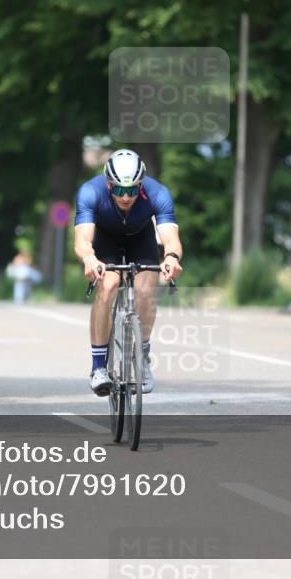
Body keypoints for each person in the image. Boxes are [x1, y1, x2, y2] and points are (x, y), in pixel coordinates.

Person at [74, 149, 183, 396]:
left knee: (145, 290)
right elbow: (82, 239)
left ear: (140, 185)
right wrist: (89, 258)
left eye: (132, 190)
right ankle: (99, 367)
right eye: (119, 190)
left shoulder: (158, 193)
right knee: (109, 285)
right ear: (108, 183)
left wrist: (171, 258)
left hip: (141, 239)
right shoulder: (91, 192)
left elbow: (171, 239)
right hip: (105, 240)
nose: (125, 196)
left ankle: (142, 356)